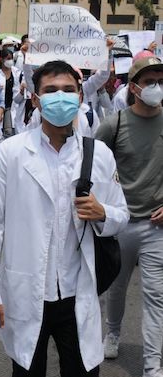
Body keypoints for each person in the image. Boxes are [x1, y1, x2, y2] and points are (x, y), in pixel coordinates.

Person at [0, 60, 128, 377]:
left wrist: (102, 214)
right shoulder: (10, 153)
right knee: (27, 370)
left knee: (83, 371)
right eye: (51, 90)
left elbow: (121, 215)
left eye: (69, 90)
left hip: (77, 293)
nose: (61, 97)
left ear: (81, 97)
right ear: (35, 98)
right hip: (27, 293)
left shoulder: (98, 154)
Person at [97, 56, 163, 377]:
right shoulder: (115, 124)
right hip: (121, 225)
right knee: (117, 286)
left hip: (156, 227)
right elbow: (90, 165)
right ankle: (112, 331)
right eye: (150, 81)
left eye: (160, 81)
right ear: (134, 86)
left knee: (155, 295)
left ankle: (152, 363)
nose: (156, 87)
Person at [0, 48, 23, 137]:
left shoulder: (17, 73)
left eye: (11, 58)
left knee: (9, 132)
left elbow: (17, 94)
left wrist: (22, 92)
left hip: (12, 106)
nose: (10, 61)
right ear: (1, 59)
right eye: (8, 58)